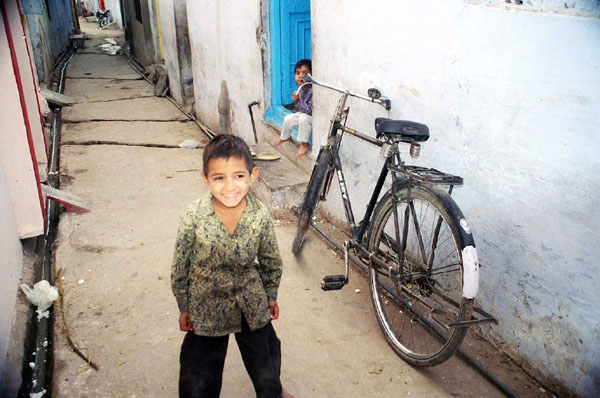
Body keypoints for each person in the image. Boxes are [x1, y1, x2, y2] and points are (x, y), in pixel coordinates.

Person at [172, 134, 290, 398]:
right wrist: (185, 306)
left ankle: (275, 393)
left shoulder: (259, 215)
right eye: (219, 178)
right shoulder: (193, 216)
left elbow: (271, 260)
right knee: (199, 375)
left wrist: (270, 295)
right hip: (206, 307)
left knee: (267, 366)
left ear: (253, 175)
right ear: (205, 178)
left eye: (238, 176)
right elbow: (181, 266)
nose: (230, 187)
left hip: (251, 303)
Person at [273, 59, 313, 158]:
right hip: (304, 113)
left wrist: (296, 101)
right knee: (288, 118)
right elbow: (300, 108)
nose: (300, 76)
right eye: (298, 73)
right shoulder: (301, 88)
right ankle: (284, 137)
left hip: (312, 116)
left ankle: (304, 144)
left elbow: (309, 110)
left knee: (303, 119)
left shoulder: (313, 90)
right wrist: (296, 102)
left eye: (305, 73)